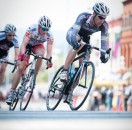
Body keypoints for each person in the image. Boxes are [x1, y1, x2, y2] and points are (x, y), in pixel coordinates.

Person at [6, 15, 54, 105]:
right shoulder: (32, 29)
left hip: (37, 46)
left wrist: (49, 61)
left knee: (41, 54)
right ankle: (12, 93)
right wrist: (22, 56)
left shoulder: (49, 35)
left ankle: (34, 77)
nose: (45, 31)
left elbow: (49, 52)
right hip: (27, 46)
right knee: (21, 68)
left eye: (47, 29)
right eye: (43, 28)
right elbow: (24, 44)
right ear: (39, 26)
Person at [60, 2, 110, 82]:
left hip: (86, 38)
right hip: (74, 33)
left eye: (104, 18)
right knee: (79, 42)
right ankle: (64, 71)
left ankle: (69, 91)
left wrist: (104, 55)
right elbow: (74, 32)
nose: (102, 20)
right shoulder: (83, 16)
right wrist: (76, 42)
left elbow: (104, 43)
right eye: (100, 17)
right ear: (94, 14)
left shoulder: (104, 26)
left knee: (84, 63)